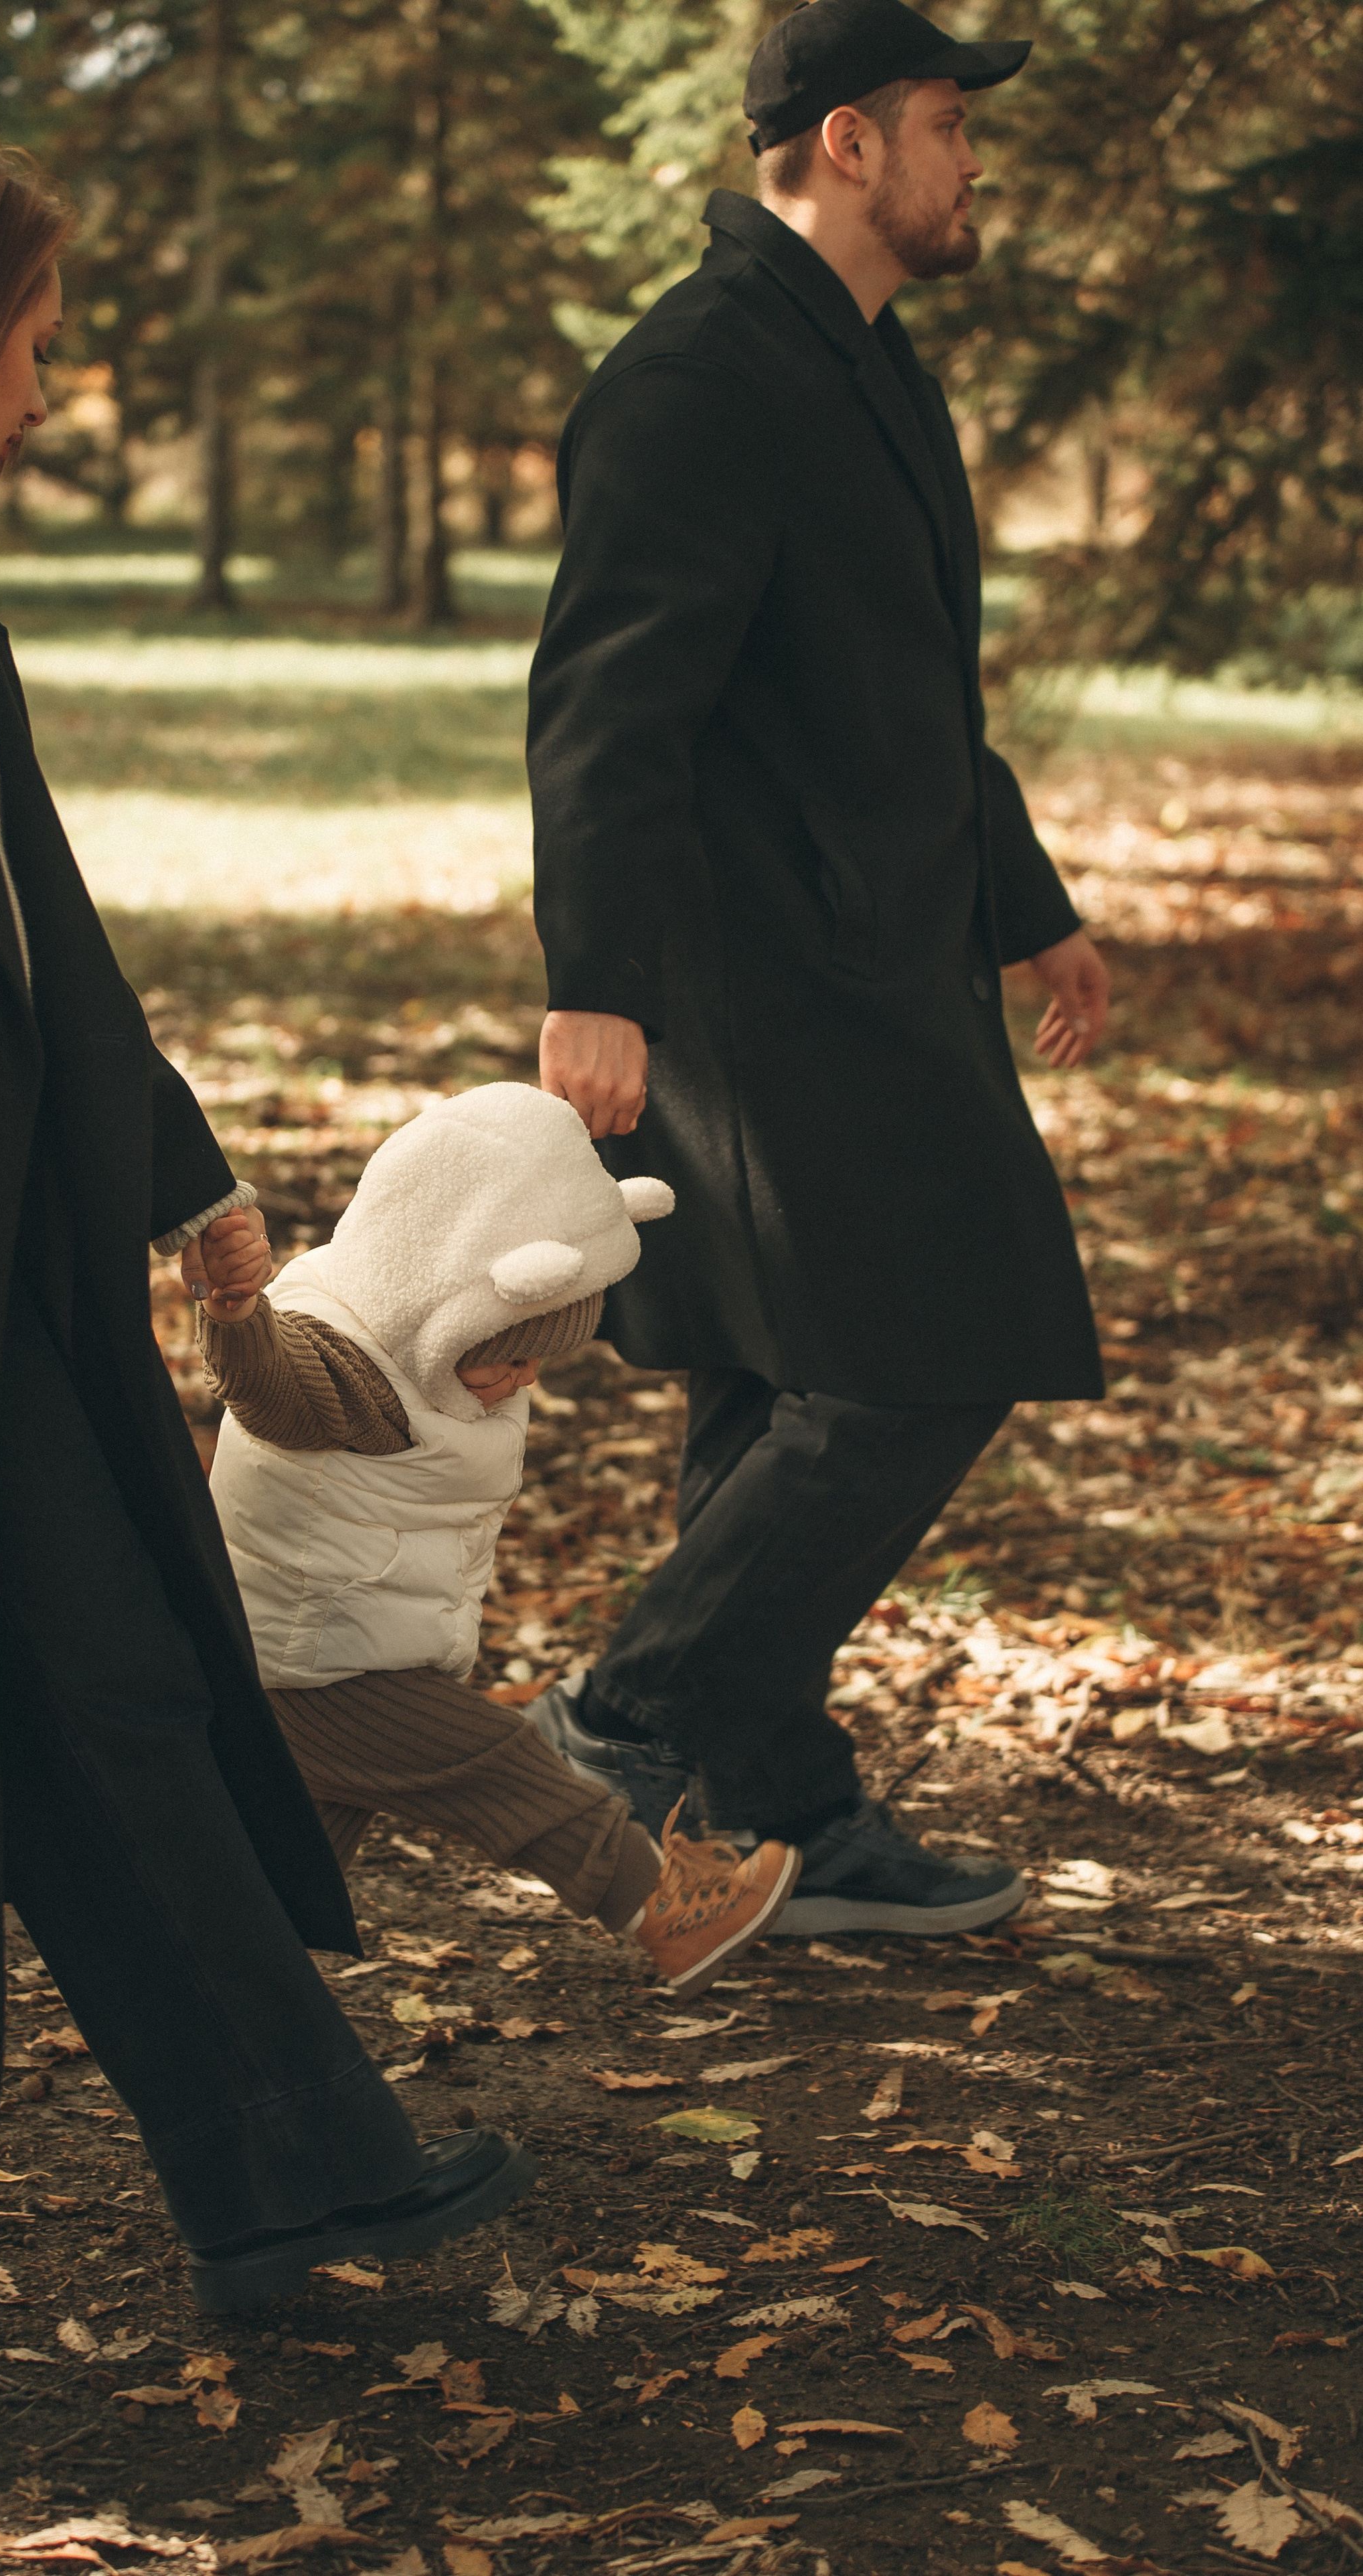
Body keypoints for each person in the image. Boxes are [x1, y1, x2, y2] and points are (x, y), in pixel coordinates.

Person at [0, 124, 532, 2408]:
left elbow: (34, 914)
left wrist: (178, 1167)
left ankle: (293, 2173)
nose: (46, 389)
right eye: (30, 341)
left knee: (123, 1700)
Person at [525, 0, 1109, 1936]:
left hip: (879, 951)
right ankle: (630, 1709)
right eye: (950, 126)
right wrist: (594, 981)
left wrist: (1024, 895)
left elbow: (908, 688)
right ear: (848, 143)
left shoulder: (856, 360)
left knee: (770, 1388)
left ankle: (778, 1816)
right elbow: (608, 706)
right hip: (766, 996)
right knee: (924, 1354)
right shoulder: (701, 375)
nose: (973, 165)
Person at [196, 1084, 799, 2002]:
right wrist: (239, 1313)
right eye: (504, 1353)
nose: (518, 1380)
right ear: (446, 1302)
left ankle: (221, 1988)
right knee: (503, 1764)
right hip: (318, 1658)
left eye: (536, 1361)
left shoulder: (419, 1345)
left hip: (334, 1639)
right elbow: (272, 1386)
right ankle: (668, 1911)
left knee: (286, 1858)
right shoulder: (347, 1364)